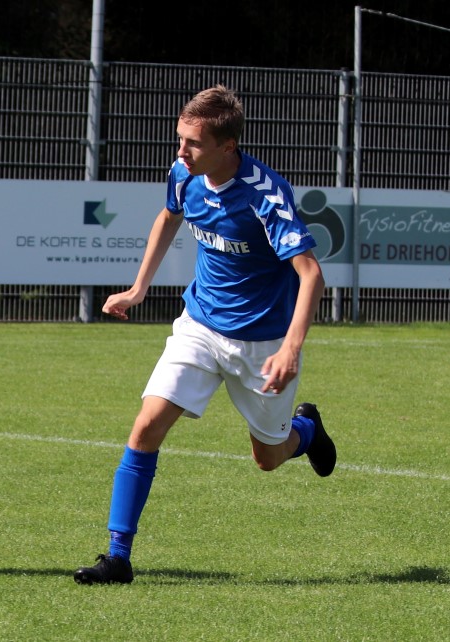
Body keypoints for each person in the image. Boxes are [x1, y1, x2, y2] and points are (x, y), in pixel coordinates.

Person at [73, 85, 336, 585]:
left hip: (262, 343)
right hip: (199, 325)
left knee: (267, 458)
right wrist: (138, 288)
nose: (181, 151)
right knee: (146, 427)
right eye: (180, 138)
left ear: (227, 146)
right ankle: (118, 556)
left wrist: (291, 348)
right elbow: (168, 217)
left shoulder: (265, 194)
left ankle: (306, 431)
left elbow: (311, 274)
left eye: (193, 142)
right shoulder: (184, 174)